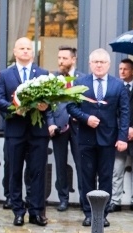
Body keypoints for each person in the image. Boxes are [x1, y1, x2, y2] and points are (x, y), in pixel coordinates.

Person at [0, 37, 56, 227]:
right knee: (14, 171)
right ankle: (18, 211)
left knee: (37, 172)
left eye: (29, 48)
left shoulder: (43, 74)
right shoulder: (5, 75)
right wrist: (13, 109)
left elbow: (52, 101)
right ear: (15, 51)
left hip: (38, 132)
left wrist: (46, 106)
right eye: (22, 48)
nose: (25, 51)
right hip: (15, 130)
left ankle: (36, 211)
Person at [67, 48, 129, 227]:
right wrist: (86, 118)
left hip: (108, 139)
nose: (99, 65)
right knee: (86, 176)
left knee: (105, 177)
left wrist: (122, 137)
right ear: (90, 64)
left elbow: (124, 112)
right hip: (86, 137)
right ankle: (88, 213)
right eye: (96, 62)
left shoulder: (118, 85)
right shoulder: (80, 83)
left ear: (109, 65)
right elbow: (71, 107)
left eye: (103, 62)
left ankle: (102, 214)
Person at [111, 58, 133, 212]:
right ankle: (115, 200)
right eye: (120, 68)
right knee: (117, 171)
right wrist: (124, 131)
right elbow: (114, 113)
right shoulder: (116, 87)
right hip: (121, 136)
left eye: (125, 69)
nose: (122, 72)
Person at [51, 46, 83, 211]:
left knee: (81, 164)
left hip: (79, 128)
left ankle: (84, 199)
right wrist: (51, 123)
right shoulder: (52, 79)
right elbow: (48, 104)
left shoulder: (83, 78)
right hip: (59, 127)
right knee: (60, 164)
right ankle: (63, 198)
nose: (61, 61)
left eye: (64, 58)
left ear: (73, 59)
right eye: (59, 58)